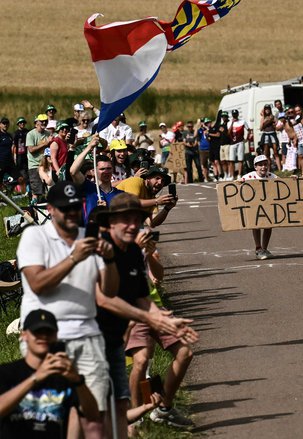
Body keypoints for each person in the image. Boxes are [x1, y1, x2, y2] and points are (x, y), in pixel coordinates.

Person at [16, 181, 119, 438]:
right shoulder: (35, 236)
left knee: (93, 414)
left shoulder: (90, 236)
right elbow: (37, 284)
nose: (72, 213)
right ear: (50, 209)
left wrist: (109, 259)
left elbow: (109, 291)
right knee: (46, 416)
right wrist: (73, 258)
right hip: (45, 336)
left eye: (76, 207)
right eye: (65, 208)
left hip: (88, 335)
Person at [94, 194, 198, 437]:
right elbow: (104, 297)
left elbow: (143, 292)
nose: (133, 225)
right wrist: (150, 317)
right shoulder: (101, 248)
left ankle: (163, 409)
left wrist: (163, 318)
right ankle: (131, 419)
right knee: (140, 361)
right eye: (125, 220)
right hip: (109, 321)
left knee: (185, 351)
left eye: (137, 219)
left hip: (143, 309)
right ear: (111, 223)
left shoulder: (132, 249)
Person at [0, 309, 99, 438]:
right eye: (37, 331)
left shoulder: (65, 376)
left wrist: (78, 381)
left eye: (49, 331)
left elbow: (93, 415)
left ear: (56, 336)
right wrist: (35, 378)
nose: (44, 336)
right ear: (24, 335)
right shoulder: (7, 372)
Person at [70, 136, 122, 225]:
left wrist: (107, 211)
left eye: (109, 168)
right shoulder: (88, 187)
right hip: (89, 235)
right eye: (102, 169)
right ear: (94, 171)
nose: (106, 171)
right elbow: (73, 171)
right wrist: (89, 147)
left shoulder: (120, 195)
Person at [241, 155, 278, 259]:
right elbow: (236, 185)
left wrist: (293, 180)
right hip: (254, 207)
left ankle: (264, 249)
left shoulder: (272, 176)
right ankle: (258, 248)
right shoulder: (248, 177)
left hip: (268, 206)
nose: (263, 167)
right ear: (255, 167)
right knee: (256, 224)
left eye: (265, 164)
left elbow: (284, 184)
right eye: (260, 165)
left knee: (269, 226)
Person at [26, 114, 52, 203]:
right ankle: (35, 212)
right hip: (34, 165)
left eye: (45, 121)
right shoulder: (30, 134)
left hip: (46, 165)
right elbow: (31, 149)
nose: (44, 122)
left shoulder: (48, 133)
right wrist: (45, 144)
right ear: (36, 123)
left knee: (49, 189)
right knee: (36, 191)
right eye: (41, 121)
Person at [228, 109, 250, 179]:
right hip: (232, 143)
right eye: (233, 114)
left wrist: (247, 138)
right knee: (231, 160)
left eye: (236, 114)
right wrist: (232, 123)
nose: (235, 116)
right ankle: (232, 175)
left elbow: (249, 130)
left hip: (240, 142)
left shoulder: (242, 121)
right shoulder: (229, 122)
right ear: (232, 115)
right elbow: (228, 133)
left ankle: (239, 174)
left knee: (240, 159)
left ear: (237, 114)